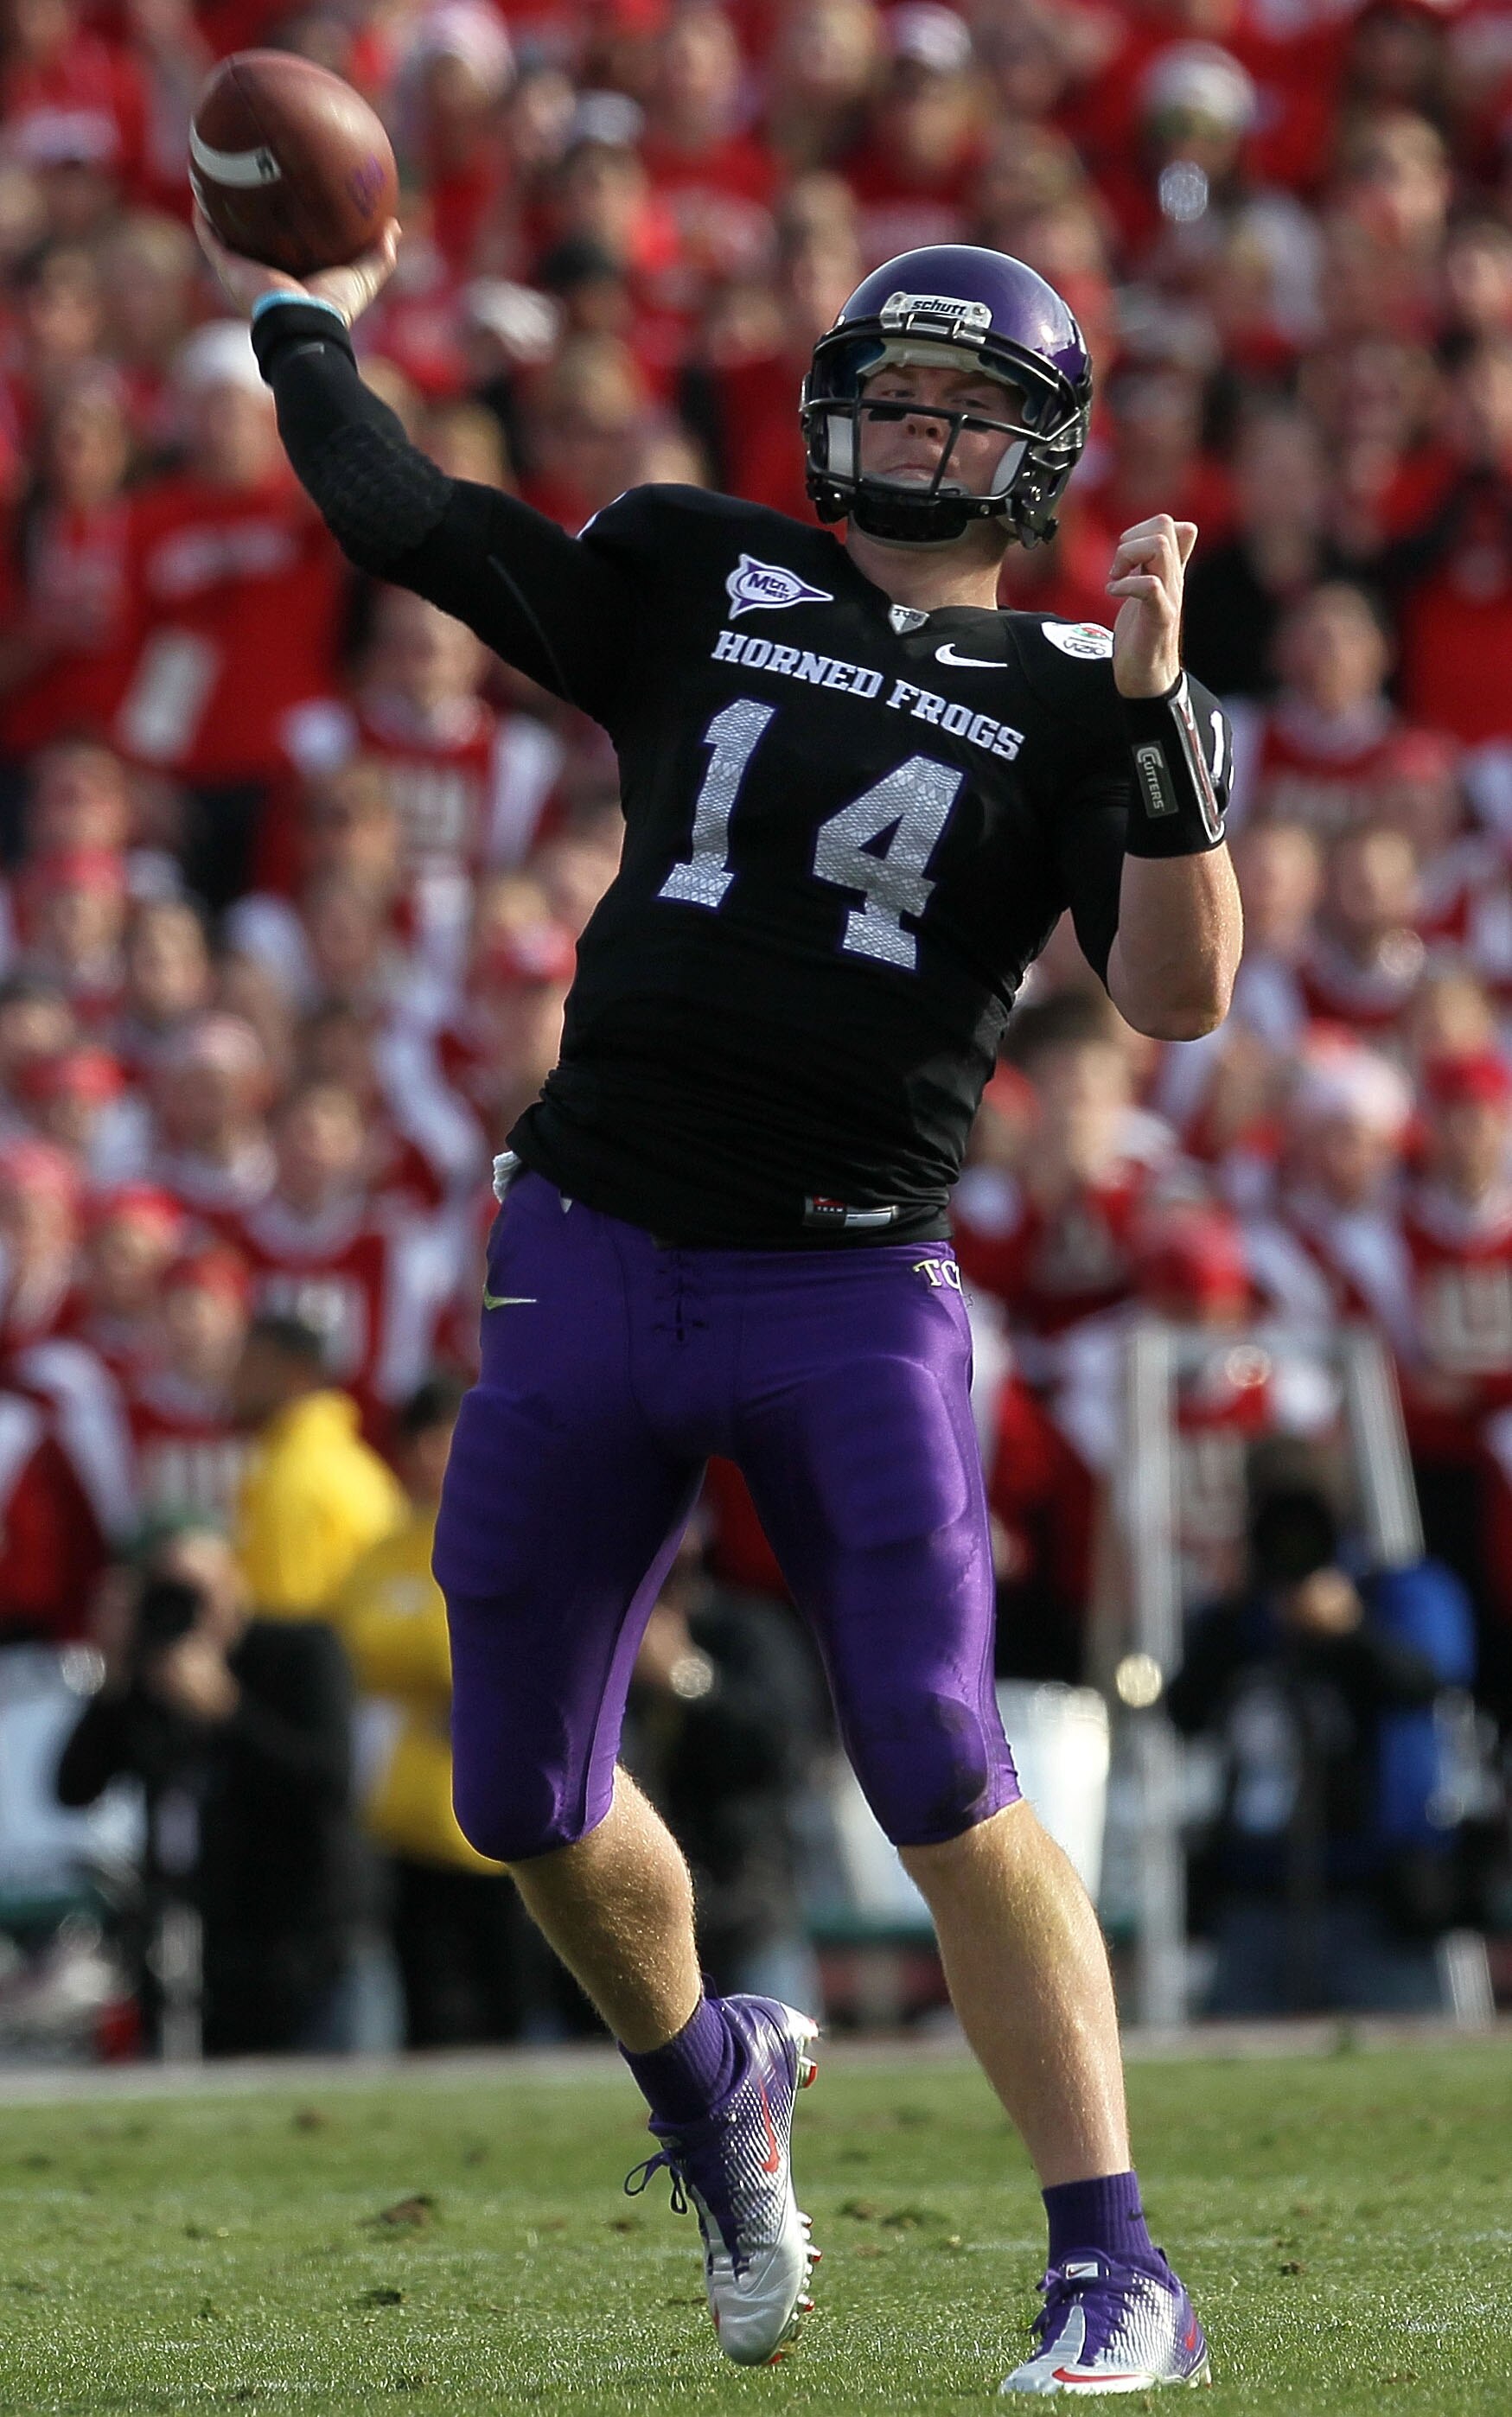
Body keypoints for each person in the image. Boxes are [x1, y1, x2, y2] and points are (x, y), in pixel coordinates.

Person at [201, 208, 1241, 2393]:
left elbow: (1173, 998)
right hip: (588, 1244)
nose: (925, 428)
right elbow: (418, 524)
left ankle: (1111, 2256)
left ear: (1035, 455)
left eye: (973, 405)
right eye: (901, 387)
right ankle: (709, 2089)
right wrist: (305, 319)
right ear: (829, 404)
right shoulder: (696, 566)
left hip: (845, 1276)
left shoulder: (1084, 694)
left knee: (942, 1763)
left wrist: (1152, 722)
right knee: (517, 1792)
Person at [55, 1517, 357, 2054]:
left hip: (292, 1936)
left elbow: (326, 1784)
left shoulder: (299, 1652)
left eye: (195, 1586)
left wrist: (227, 1709)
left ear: (232, 1579)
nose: (184, 1606)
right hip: (188, 1939)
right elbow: (73, 1787)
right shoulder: (150, 1677)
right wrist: (118, 1675)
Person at [230, 1311, 403, 1622]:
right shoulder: (354, 1461)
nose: (237, 1376)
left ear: (297, 1375)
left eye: (252, 1363)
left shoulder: (294, 1474)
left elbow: (288, 1625)